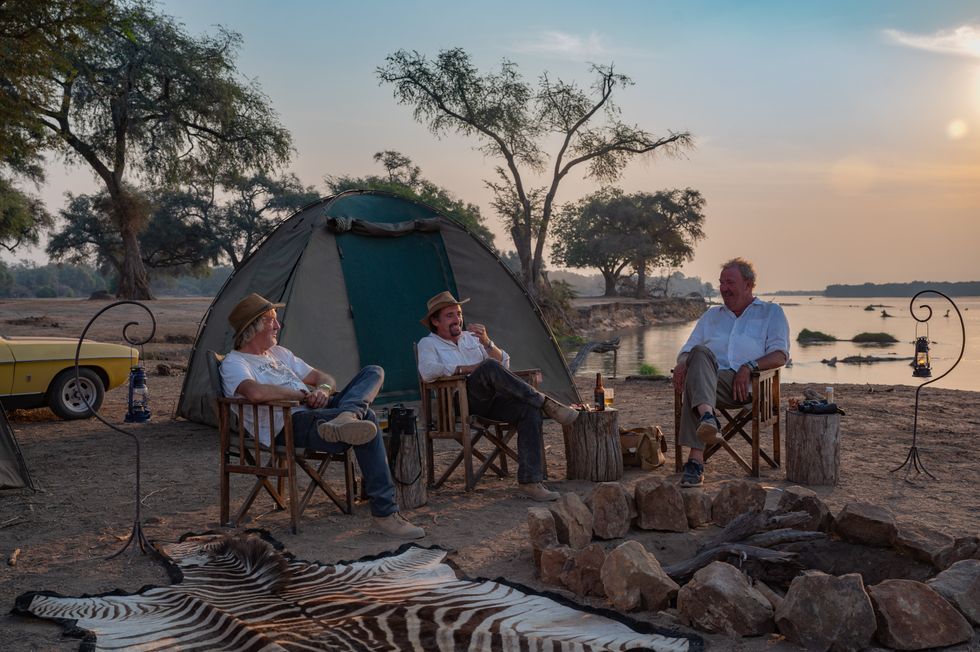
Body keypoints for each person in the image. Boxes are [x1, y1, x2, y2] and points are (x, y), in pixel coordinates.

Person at [220, 293, 425, 539]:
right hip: (289, 424)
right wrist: (299, 395)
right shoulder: (235, 362)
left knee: (374, 371)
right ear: (252, 327)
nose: (278, 325)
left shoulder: (281, 354)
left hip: (321, 412)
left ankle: (347, 415)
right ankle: (385, 514)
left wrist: (323, 390)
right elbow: (253, 392)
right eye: (270, 320)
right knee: (367, 416)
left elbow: (324, 378)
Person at [416, 291, 580, 502]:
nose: (457, 319)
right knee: (487, 367)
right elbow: (427, 371)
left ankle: (530, 482)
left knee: (528, 410)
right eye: (449, 316)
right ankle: (546, 402)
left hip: (491, 401)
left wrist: (487, 343)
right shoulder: (428, 343)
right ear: (435, 321)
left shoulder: (471, 338)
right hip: (460, 402)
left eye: (458, 314)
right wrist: (467, 369)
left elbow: (505, 365)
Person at [672, 259, 790, 488]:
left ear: (748, 284)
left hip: (750, 386)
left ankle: (697, 458)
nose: (724, 288)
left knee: (695, 385)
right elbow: (687, 352)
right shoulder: (711, 315)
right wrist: (681, 364)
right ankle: (707, 419)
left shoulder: (770, 313)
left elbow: (780, 355)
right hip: (710, 382)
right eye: (721, 283)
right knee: (698, 354)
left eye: (730, 282)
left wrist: (749, 367)